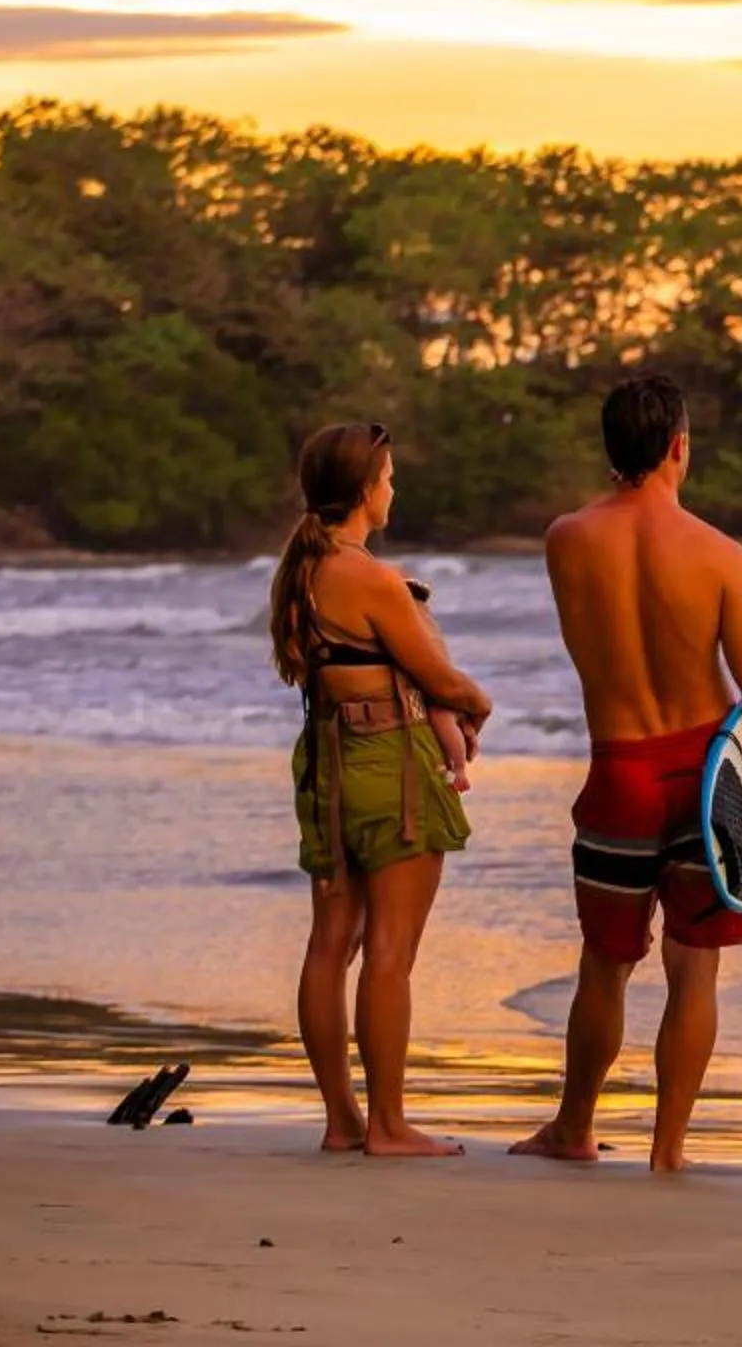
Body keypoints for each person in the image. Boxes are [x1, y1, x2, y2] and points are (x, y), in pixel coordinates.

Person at [510, 375, 742, 1172]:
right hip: (704, 777)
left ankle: (573, 1129)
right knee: (693, 966)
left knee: (605, 964)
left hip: (618, 771)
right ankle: (667, 1151)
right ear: (681, 445)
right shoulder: (720, 556)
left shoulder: (566, 539)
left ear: (612, 450)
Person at [269, 421, 495, 1158]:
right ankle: (390, 1126)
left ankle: (342, 1119)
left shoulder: (301, 572)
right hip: (387, 760)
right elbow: (437, 675)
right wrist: (481, 703)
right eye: (389, 478)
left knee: (330, 946)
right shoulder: (369, 576)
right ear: (366, 490)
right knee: (391, 951)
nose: (393, 489)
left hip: (328, 759)